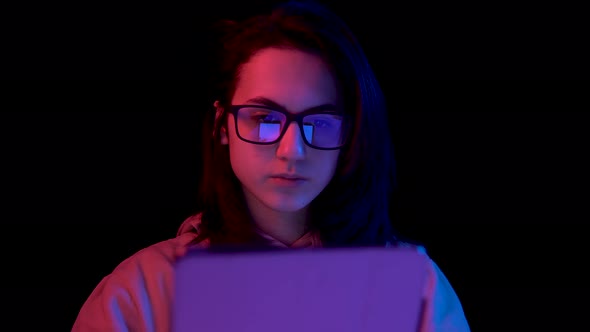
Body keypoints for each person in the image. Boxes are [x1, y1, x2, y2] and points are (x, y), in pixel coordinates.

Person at [72, 0, 471, 331]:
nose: (291, 150)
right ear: (221, 125)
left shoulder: (417, 291)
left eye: (320, 123)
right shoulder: (140, 292)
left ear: (352, 134)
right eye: (264, 120)